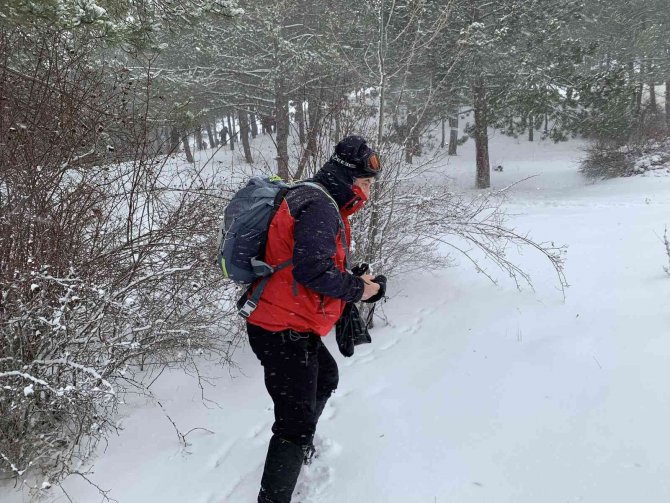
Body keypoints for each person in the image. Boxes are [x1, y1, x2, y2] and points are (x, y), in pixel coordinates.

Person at [244, 135, 384, 503]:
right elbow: (312, 272)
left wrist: (353, 275)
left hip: (283, 321)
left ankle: (300, 443)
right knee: (293, 421)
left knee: (326, 376)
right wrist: (361, 289)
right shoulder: (320, 207)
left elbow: (304, 260)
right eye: (365, 184)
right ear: (346, 178)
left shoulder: (311, 196)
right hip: (281, 328)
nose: (367, 193)